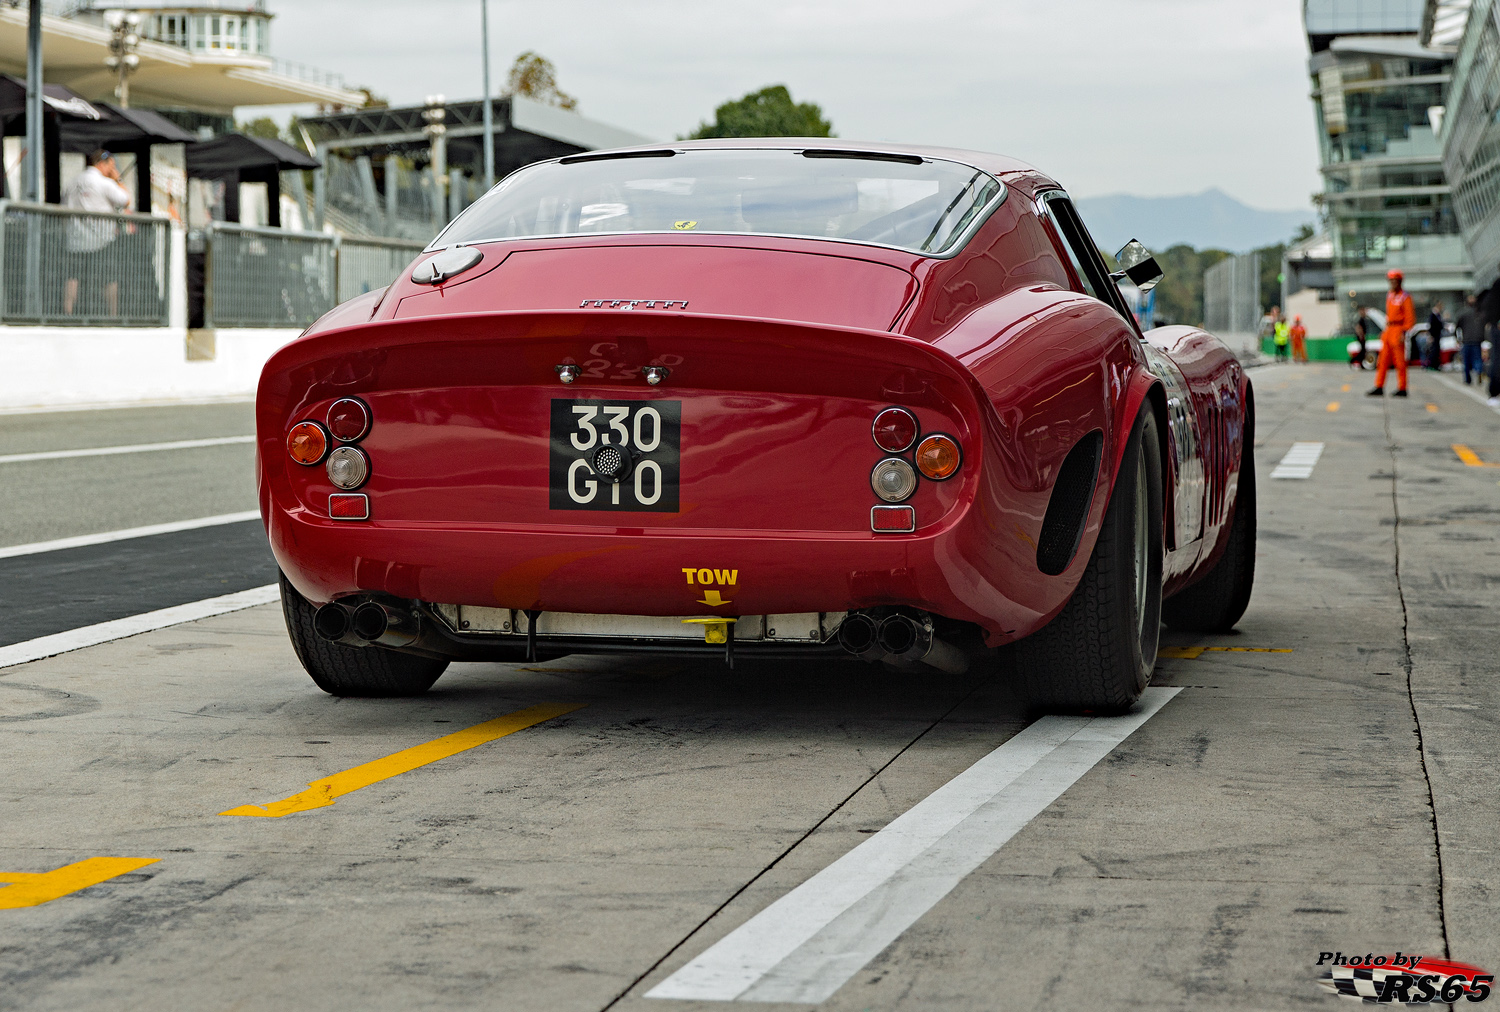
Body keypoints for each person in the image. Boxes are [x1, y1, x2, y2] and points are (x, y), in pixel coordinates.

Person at [62, 149, 130, 317]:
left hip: (75, 240)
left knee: (72, 278)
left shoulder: (72, 183)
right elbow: (125, 199)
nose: (112, 170)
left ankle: (67, 314)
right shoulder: (104, 182)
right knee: (109, 279)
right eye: (111, 166)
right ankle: (112, 316)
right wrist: (118, 179)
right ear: (101, 164)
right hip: (102, 240)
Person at [1369, 268, 1413, 397]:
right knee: (1382, 360)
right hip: (1389, 329)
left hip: (1398, 329)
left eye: (1395, 281)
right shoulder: (1390, 295)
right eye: (1391, 281)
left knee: (1399, 362)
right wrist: (1385, 331)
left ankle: (1402, 387)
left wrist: (1404, 332)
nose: (1392, 283)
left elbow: (1410, 317)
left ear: (1399, 282)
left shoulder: (1405, 297)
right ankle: (1379, 385)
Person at [1457, 294, 1484, 385]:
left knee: (1466, 361)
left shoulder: (1463, 313)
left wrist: (1457, 338)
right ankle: (1479, 371)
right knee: (1477, 359)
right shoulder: (1479, 313)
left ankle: (1468, 379)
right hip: (1477, 340)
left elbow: (1457, 326)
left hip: (1467, 340)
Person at [1426, 301, 1445, 370]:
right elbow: (1432, 326)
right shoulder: (1433, 315)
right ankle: (1432, 365)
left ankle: (1436, 365)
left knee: (1437, 351)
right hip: (1434, 335)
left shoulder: (1438, 315)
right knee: (1434, 351)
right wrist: (1431, 335)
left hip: (1437, 335)